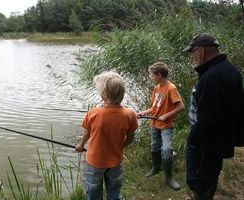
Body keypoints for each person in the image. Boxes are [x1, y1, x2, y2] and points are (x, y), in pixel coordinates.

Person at [182, 33, 244, 199]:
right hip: (221, 139)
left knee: (200, 181)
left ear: (201, 51)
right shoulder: (230, 69)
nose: (193, 57)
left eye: (193, 52)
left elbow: (206, 118)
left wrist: (193, 141)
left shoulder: (211, 77)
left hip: (207, 143)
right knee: (211, 175)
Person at [75, 71, 139, 200]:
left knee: (93, 189)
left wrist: (81, 145)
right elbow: (130, 137)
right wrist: (120, 146)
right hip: (115, 160)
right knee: (114, 190)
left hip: (95, 161)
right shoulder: (129, 114)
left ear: (106, 96)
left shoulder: (94, 113)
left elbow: (87, 133)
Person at [137, 62, 185, 190]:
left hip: (166, 125)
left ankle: (169, 177)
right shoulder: (156, 89)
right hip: (154, 124)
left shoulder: (171, 88)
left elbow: (181, 107)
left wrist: (166, 115)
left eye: (152, 75)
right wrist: (144, 113)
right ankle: (155, 168)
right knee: (155, 146)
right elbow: (155, 107)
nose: (151, 77)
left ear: (159, 75)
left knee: (167, 149)